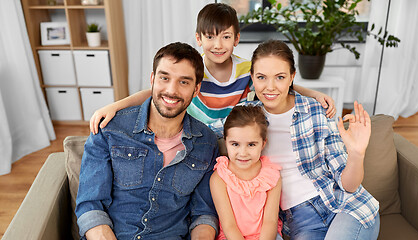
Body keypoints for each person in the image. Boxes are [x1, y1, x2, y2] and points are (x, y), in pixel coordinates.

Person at [88, 3, 336, 136]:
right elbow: (153, 91)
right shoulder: (191, 69)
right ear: (198, 38)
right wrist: (114, 106)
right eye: (210, 37)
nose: (218, 45)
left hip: (234, 138)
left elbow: (276, 82)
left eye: (226, 37)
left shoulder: (246, 68)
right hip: (199, 137)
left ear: (236, 39)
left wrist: (314, 95)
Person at [75, 42, 219, 240]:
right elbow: (90, 206)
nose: (171, 90)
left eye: (184, 82)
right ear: (152, 79)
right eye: (164, 78)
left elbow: (203, 214)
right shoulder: (110, 129)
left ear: (196, 89)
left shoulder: (207, 143)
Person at [244, 39, 380, 239]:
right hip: (301, 222)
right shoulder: (244, 117)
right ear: (252, 78)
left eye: (280, 77)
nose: (270, 87)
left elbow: (349, 186)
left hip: (345, 207)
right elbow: (202, 129)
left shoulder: (316, 110)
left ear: (292, 78)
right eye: (261, 77)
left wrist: (357, 154)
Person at [210, 105, 283, 240]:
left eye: (251, 145)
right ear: (226, 142)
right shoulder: (219, 178)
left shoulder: (271, 176)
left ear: (263, 143)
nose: (243, 153)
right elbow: (229, 225)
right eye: (235, 144)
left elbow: (270, 222)